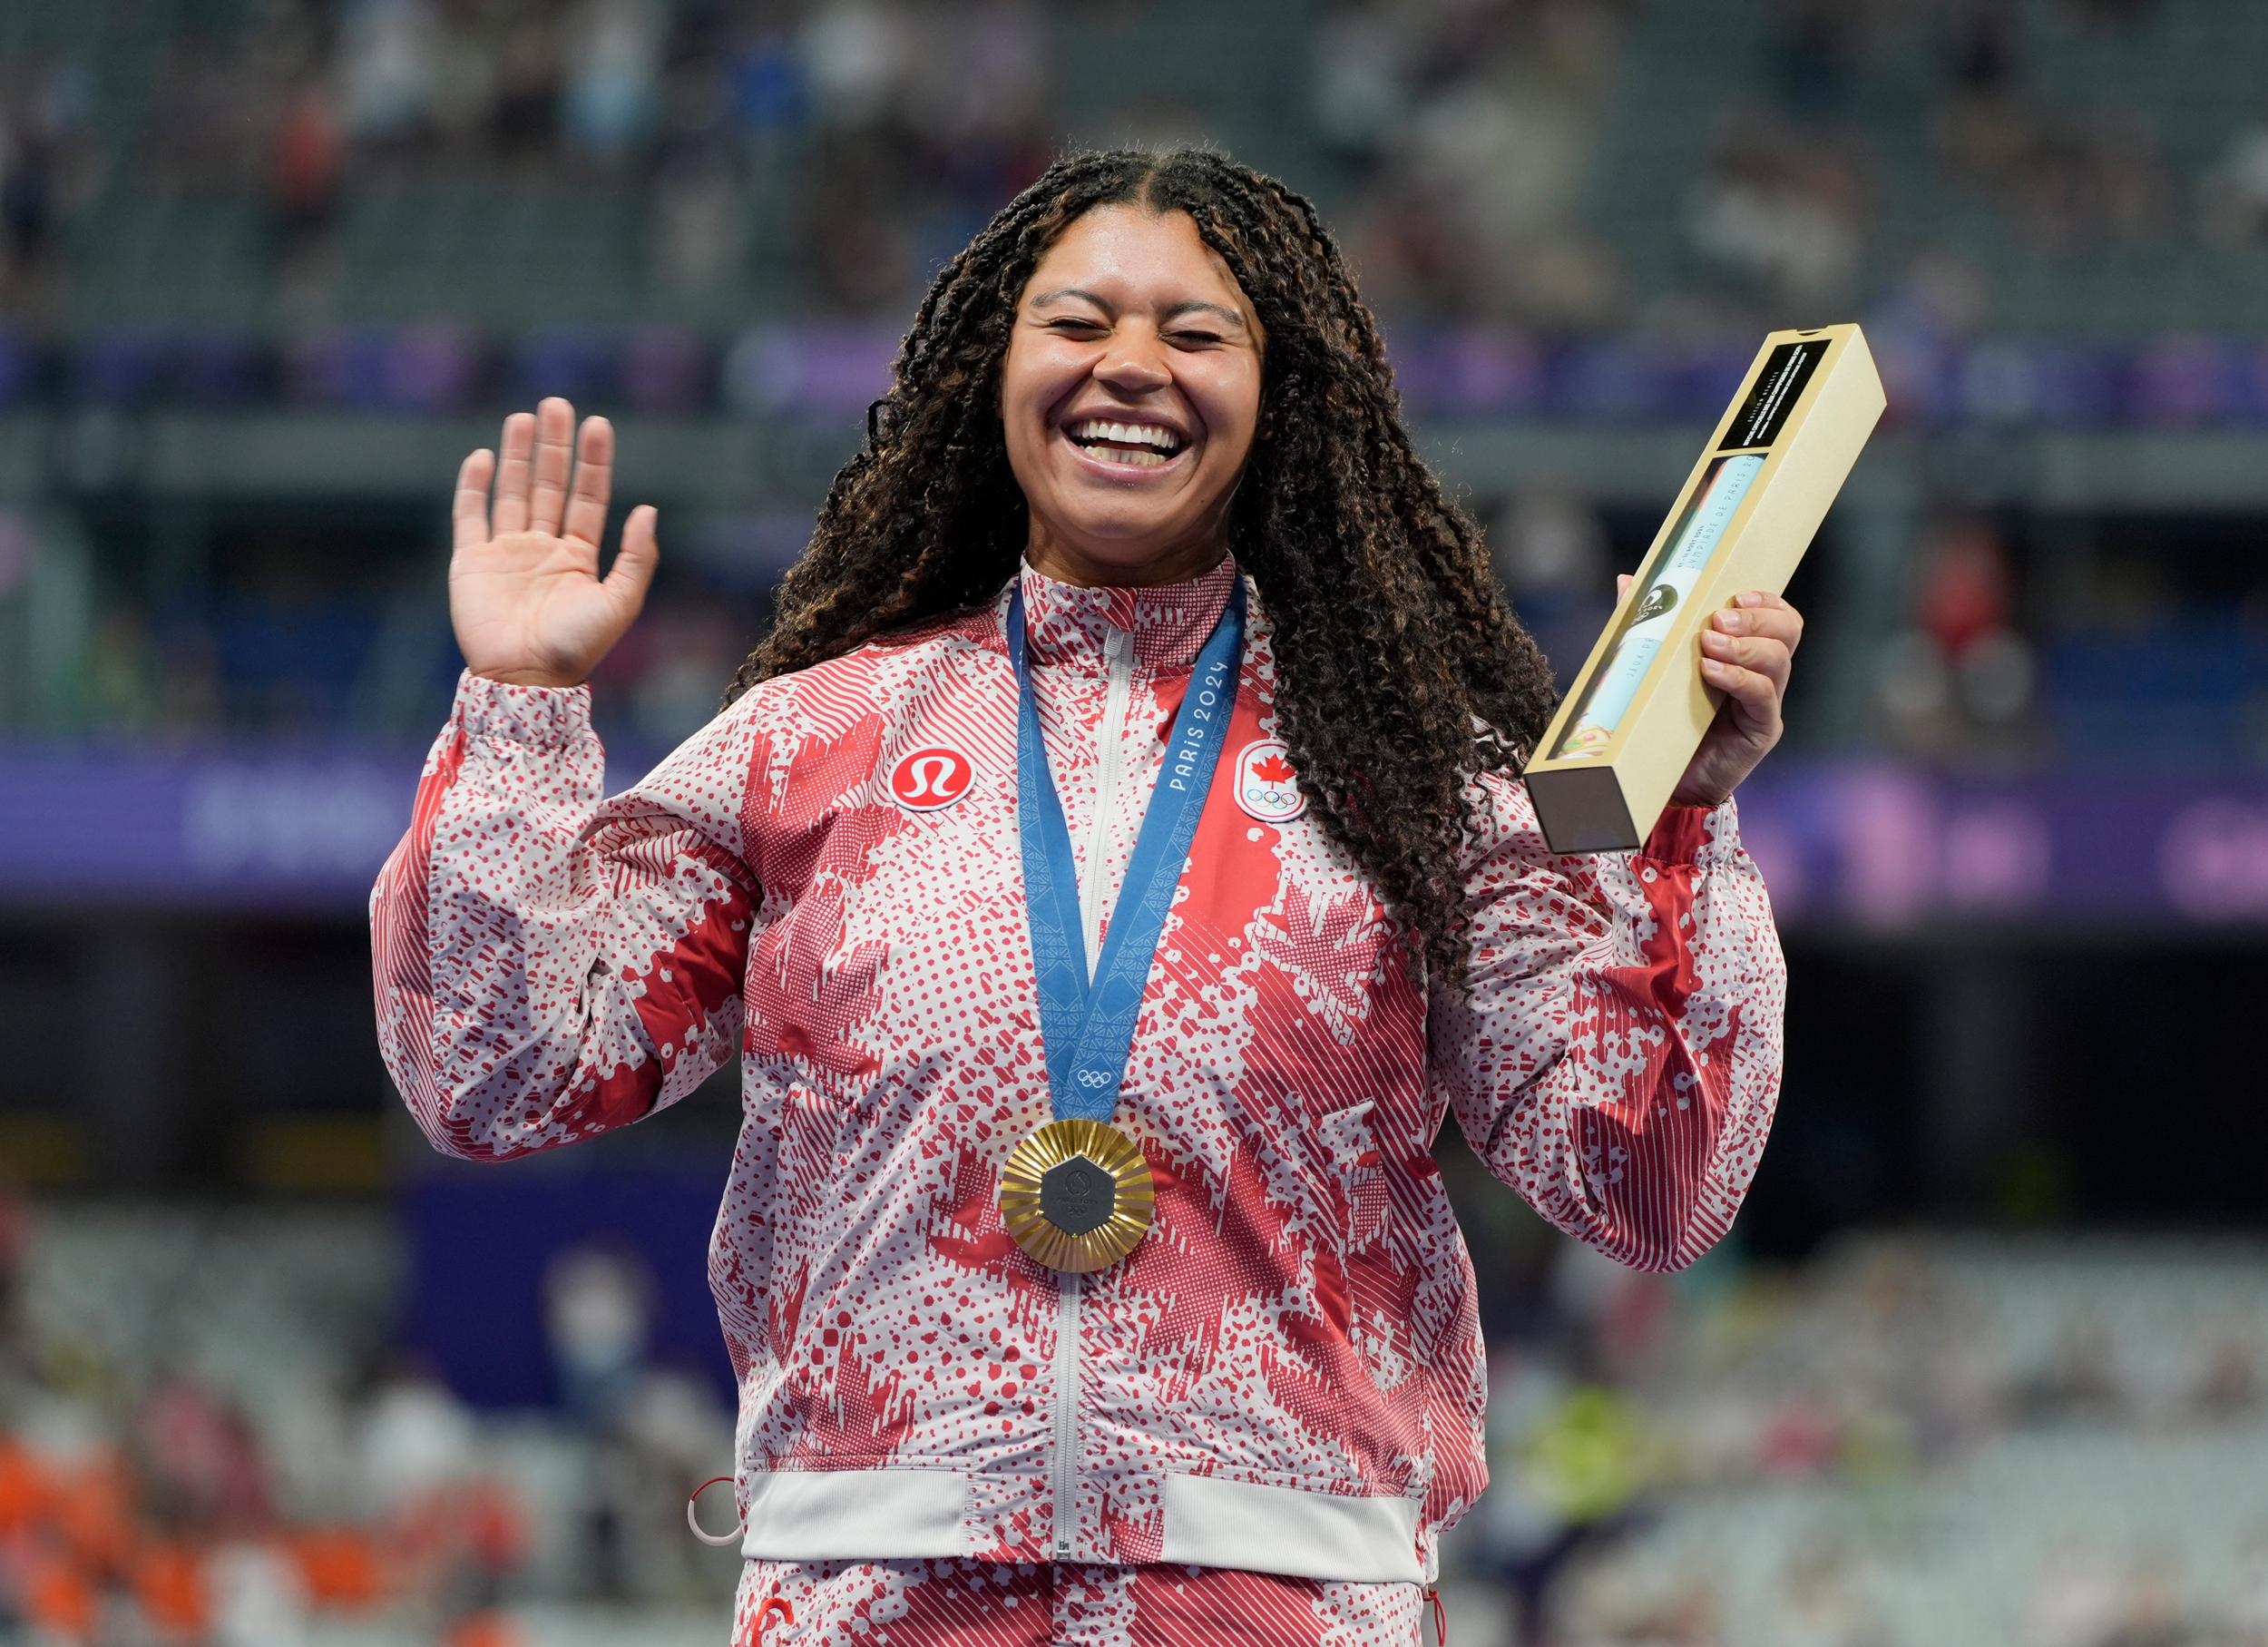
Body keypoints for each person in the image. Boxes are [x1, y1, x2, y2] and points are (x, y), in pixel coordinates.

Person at [373, 148, 1797, 1645]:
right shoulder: (812, 745)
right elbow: (496, 1074)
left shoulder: (1422, 776)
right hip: (871, 1593)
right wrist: (521, 708)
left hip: (1287, 1594)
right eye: (1079, 322)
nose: (1133, 365)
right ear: (998, 370)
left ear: (1283, 391)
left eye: (1196, 333)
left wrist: (1678, 828)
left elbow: (1650, 1182)